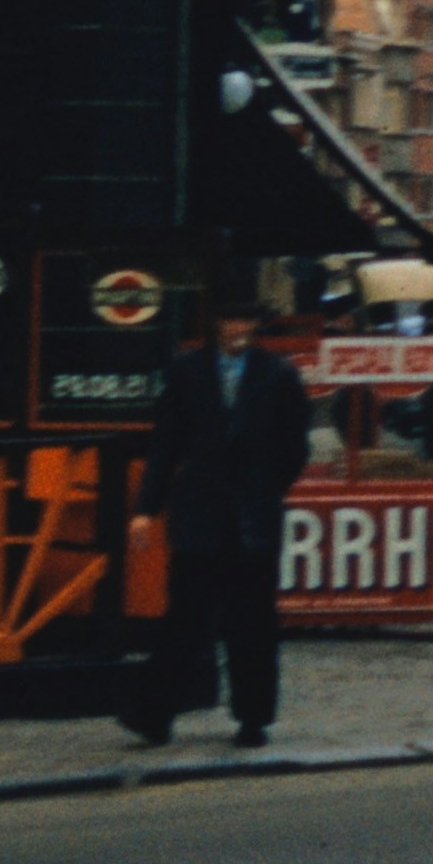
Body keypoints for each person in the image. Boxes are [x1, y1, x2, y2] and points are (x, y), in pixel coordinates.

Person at [130, 291, 315, 747]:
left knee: (251, 622)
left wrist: (267, 487)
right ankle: (155, 714)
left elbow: (295, 445)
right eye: (230, 321)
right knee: (184, 619)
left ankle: (253, 718)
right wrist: (144, 510)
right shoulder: (187, 372)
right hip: (199, 513)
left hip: (252, 516)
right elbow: (164, 446)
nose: (237, 329)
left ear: (256, 328)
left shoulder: (279, 375)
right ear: (217, 325)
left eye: (245, 322)